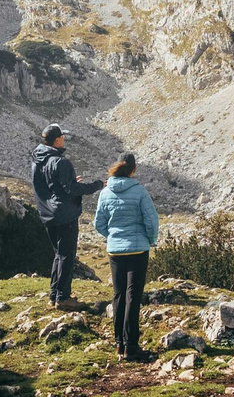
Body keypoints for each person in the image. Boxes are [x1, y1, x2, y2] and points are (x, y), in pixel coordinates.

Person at [93, 152, 159, 360]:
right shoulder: (139, 191)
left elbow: (98, 223)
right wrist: (150, 240)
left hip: (115, 250)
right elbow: (152, 220)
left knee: (118, 295)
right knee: (133, 296)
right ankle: (132, 345)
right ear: (133, 169)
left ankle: (119, 344)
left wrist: (112, 236)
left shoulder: (105, 192)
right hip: (138, 249)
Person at [29, 123, 102, 309]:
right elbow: (73, 189)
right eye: (62, 137)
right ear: (57, 140)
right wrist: (97, 185)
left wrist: (69, 182)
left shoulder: (37, 159)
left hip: (47, 214)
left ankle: (54, 295)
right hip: (64, 215)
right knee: (67, 256)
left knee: (58, 255)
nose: (64, 140)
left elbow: (52, 185)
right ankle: (63, 298)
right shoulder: (61, 162)